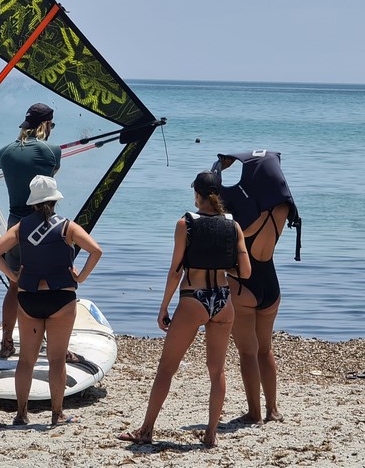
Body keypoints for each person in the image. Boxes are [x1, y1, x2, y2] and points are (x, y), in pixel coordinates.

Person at [118, 172, 250, 448]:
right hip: (223, 301)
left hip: (193, 299)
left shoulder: (185, 223)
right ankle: (211, 434)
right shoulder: (233, 226)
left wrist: (164, 306)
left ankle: (146, 430)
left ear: (197, 195)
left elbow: (175, 270)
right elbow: (245, 272)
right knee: (217, 371)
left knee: (166, 369)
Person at [0, 175, 103, 426]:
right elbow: (96, 250)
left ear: (33, 202)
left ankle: (21, 414)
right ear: (54, 200)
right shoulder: (68, 227)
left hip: (29, 299)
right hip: (61, 299)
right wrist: (80, 276)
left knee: (26, 360)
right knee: (57, 359)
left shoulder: (20, 227)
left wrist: (13, 276)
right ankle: (57, 414)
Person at [0, 102, 61, 359]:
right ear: (46, 125)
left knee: (14, 286)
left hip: (15, 225)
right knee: (48, 286)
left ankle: (7, 341)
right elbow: (50, 179)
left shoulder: (6, 152)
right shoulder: (53, 151)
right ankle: (46, 340)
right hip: (44, 226)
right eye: (51, 124)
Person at [215, 151, 299, 425]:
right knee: (266, 349)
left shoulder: (247, 215)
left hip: (244, 285)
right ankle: (273, 410)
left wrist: (218, 168)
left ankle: (254, 413)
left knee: (247, 351)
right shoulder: (282, 208)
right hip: (271, 283)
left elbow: (216, 205)